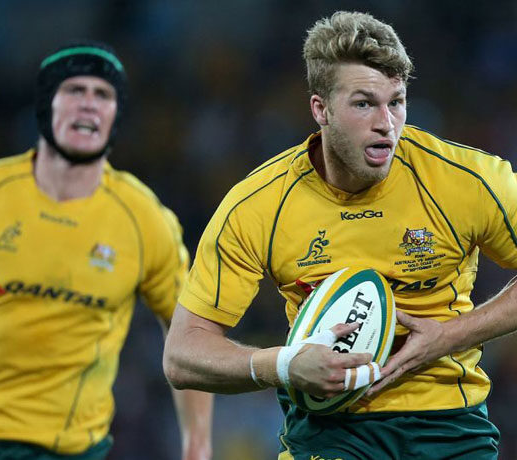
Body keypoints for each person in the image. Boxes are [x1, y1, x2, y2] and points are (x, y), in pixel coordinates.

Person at [163, 10, 517, 460]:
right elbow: (182, 354)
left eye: (396, 102)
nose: (386, 123)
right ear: (321, 109)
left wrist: (451, 336)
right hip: (328, 432)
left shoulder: (466, 180)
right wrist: (284, 365)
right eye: (364, 103)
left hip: (448, 426)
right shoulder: (258, 204)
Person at [0, 41, 212, 460]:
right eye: (75, 90)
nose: (89, 104)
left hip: (73, 450)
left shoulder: (143, 218)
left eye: (103, 94)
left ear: (114, 116)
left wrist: (197, 446)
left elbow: (190, 331)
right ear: (47, 106)